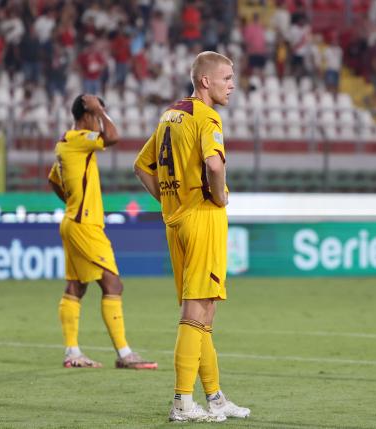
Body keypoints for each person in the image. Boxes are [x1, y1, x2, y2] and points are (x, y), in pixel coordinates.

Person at [133, 51, 250, 423]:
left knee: (204, 314)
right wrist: (219, 195)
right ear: (205, 81)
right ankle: (183, 401)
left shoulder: (171, 115)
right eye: (227, 78)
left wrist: (170, 202)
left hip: (177, 220)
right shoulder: (206, 117)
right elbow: (214, 165)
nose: (232, 85)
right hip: (202, 219)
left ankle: (214, 398)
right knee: (196, 312)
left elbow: (141, 165)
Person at [48, 94, 157, 370]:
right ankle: (125, 353)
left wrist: (73, 202)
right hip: (85, 225)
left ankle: (72, 352)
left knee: (76, 286)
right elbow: (113, 136)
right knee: (112, 283)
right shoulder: (78, 139)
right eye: (96, 112)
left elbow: (53, 179)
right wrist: (102, 113)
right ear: (87, 112)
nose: (99, 118)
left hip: (73, 220)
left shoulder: (66, 142)